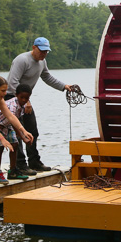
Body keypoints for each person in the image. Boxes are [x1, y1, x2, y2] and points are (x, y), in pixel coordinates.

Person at [6, 37, 72, 174]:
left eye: (46, 52)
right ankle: (20, 165)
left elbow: (47, 77)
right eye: (41, 51)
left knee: (32, 131)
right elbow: (12, 83)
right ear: (34, 47)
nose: (44, 54)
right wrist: (25, 101)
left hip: (24, 99)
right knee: (17, 133)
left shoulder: (42, 62)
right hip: (12, 97)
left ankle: (34, 162)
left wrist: (64, 86)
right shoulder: (21, 60)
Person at [0, 83, 33, 183]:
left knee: (15, 144)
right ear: (16, 95)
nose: (23, 100)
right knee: (0, 147)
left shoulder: (22, 105)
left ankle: (13, 170)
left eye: (26, 98)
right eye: (21, 97)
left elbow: (16, 121)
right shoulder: (13, 104)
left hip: (7, 125)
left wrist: (21, 136)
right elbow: (13, 121)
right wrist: (23, 137)